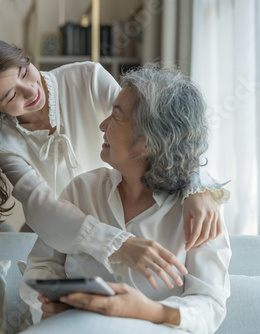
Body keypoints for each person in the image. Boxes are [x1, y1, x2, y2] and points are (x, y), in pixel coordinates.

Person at [0, 36, 228, 289]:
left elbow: (158, 128)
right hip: (62, 234)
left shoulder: (87, 78)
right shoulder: (3, 142)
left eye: (23, 71)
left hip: (127, 207)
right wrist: (117, 244)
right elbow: (40, 205)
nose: (31, 90)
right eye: (10, 95)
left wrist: (197, 187)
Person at [20, 63, 231, 334]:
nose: (103, 124)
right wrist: (47, 305)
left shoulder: (199, 213)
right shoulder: (82, 190)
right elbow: (42, 267)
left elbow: (210, 306)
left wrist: (147, 311)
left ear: (149, 141)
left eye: (116, 117)